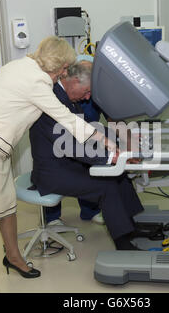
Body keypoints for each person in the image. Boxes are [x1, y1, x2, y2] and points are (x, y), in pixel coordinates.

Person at [0, 36, 113, 291]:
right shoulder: (38, 82)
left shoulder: (17, 66)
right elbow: (65, 118)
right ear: (56, 64)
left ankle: (13, 257)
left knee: (6, 206)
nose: (65, 73)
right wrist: (104, 140)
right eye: (64, 68)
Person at [29, 61, 145, 252]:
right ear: (74, 81)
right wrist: (112, 157)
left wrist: (122, 140)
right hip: (52, 172)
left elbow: (89, 129)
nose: (88, 97)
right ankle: (123, 244)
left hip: (67, 163)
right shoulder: (53, 101)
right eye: (87, 91)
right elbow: (71, 145)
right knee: (106, 184)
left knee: (117, 174)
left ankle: (131, 227)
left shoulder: (68, 98)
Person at [44, 60, 104, 226]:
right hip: (55, 150)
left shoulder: (85, 94)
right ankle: (52, 217)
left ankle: (89, 210)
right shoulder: (53, 95)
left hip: (83, 135)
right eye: (86, 91)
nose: (88, 97)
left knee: (87, 166)